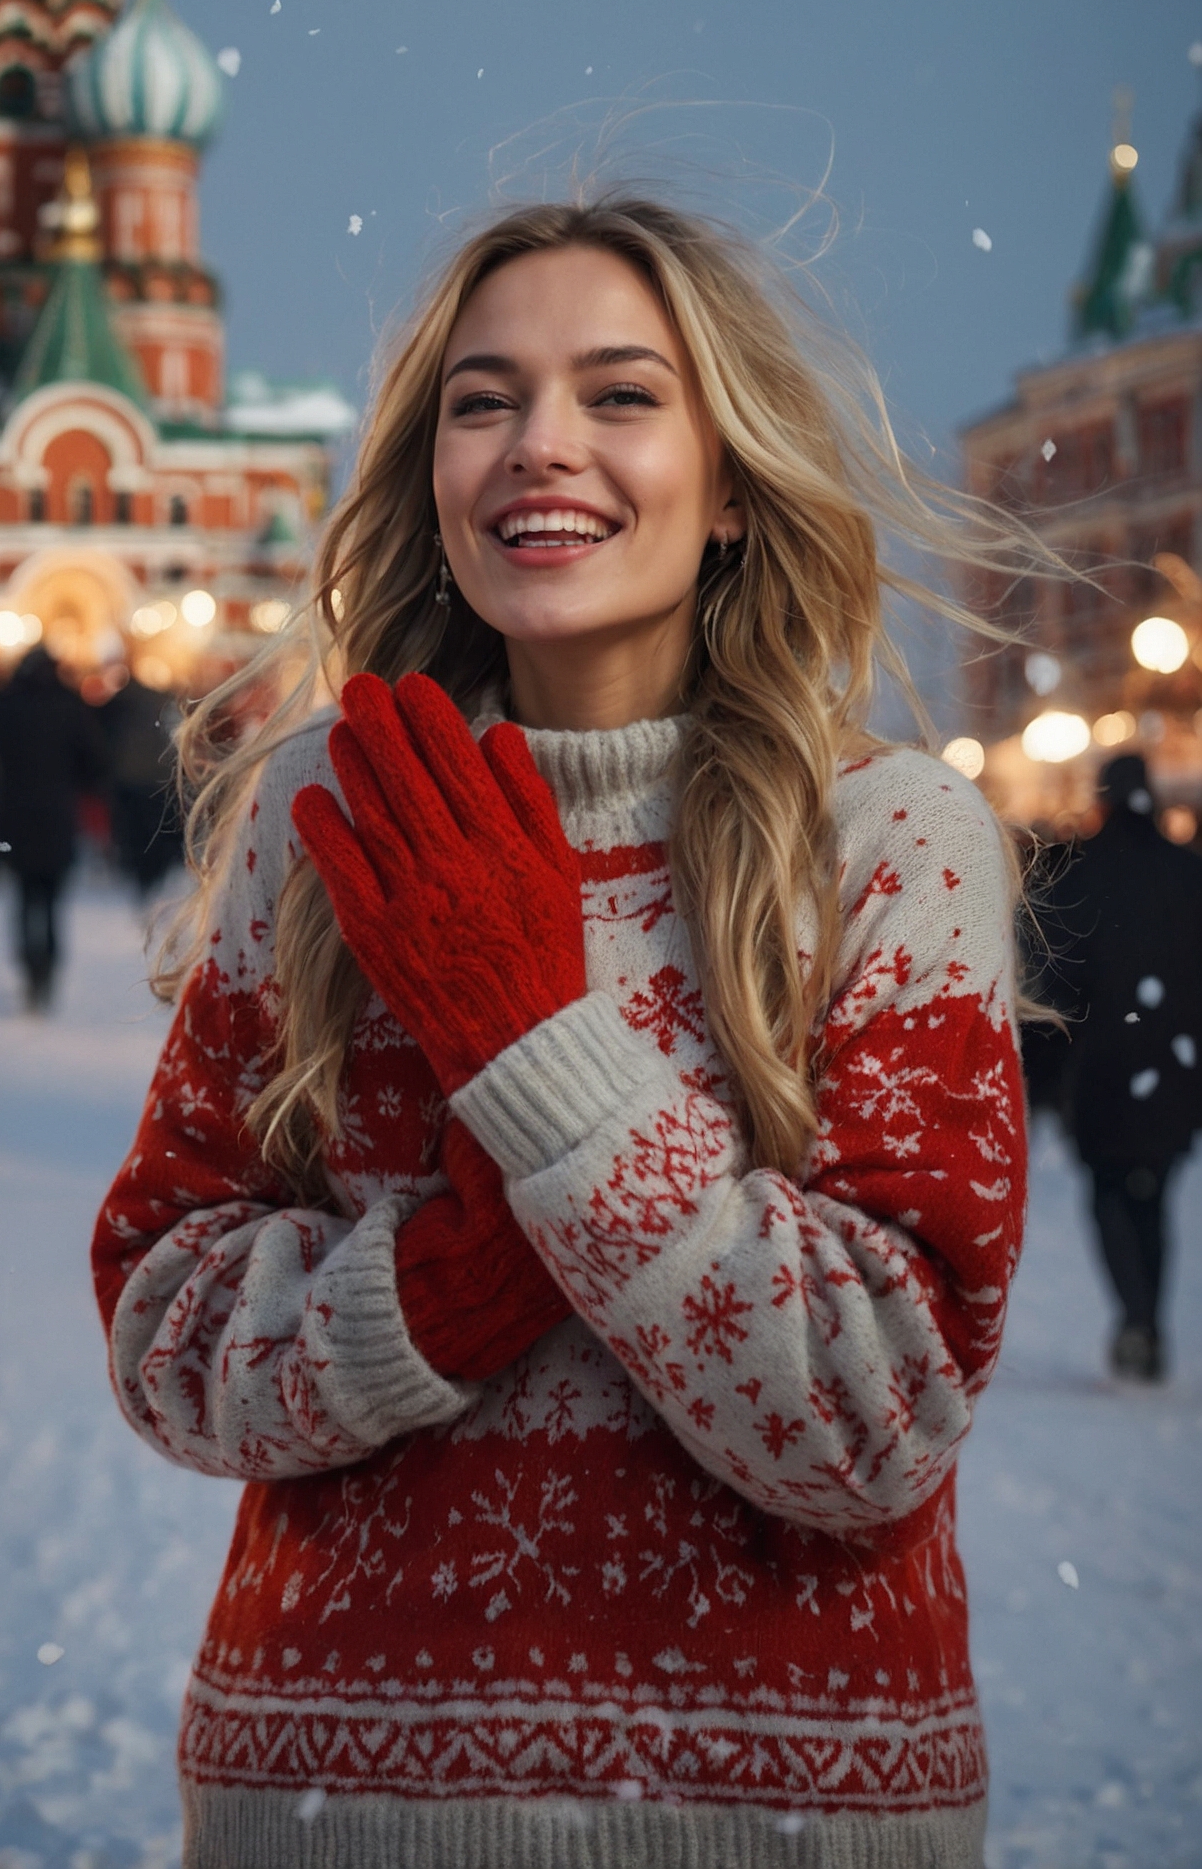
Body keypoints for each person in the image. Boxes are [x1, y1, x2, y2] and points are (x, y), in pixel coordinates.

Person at [94, 199, 1033, 1869]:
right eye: (479, 400)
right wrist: (445, 1281)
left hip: (776, 1817)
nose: (539, 446)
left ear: (731, 479)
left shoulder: (884, 841)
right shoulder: (330, 813)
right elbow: (164, 1328)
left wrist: (532, 1051)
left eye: (617, 394)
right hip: (330, 1804)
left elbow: (869, 1411)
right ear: (428, 474)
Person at [1033, 752, 1202, 1381]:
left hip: (1102, 1069)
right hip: (1175, 1069)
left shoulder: (1079, 880)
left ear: (1104, 800)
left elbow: (1052, 989)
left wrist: (1044, 1081)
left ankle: (1135, 1316)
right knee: (1153, 1194)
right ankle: (1148, 1319)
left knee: (1108, 1190)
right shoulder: (1189, 874)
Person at [0, 643, 108, 1010]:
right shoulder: (69, 706)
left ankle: (30, 965)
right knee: (52, 900)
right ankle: (48, 966)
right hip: (57, 815)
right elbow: (95, 762)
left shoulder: (3, 705)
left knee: (24, 896)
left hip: (16, 816)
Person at [98, 669, 184, 900]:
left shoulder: (117, 707)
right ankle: (153, 872)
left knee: (134, 831)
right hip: (157, 776)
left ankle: (140, 872)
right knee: (154, 829)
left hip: (128, 778)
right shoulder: (159, 702)